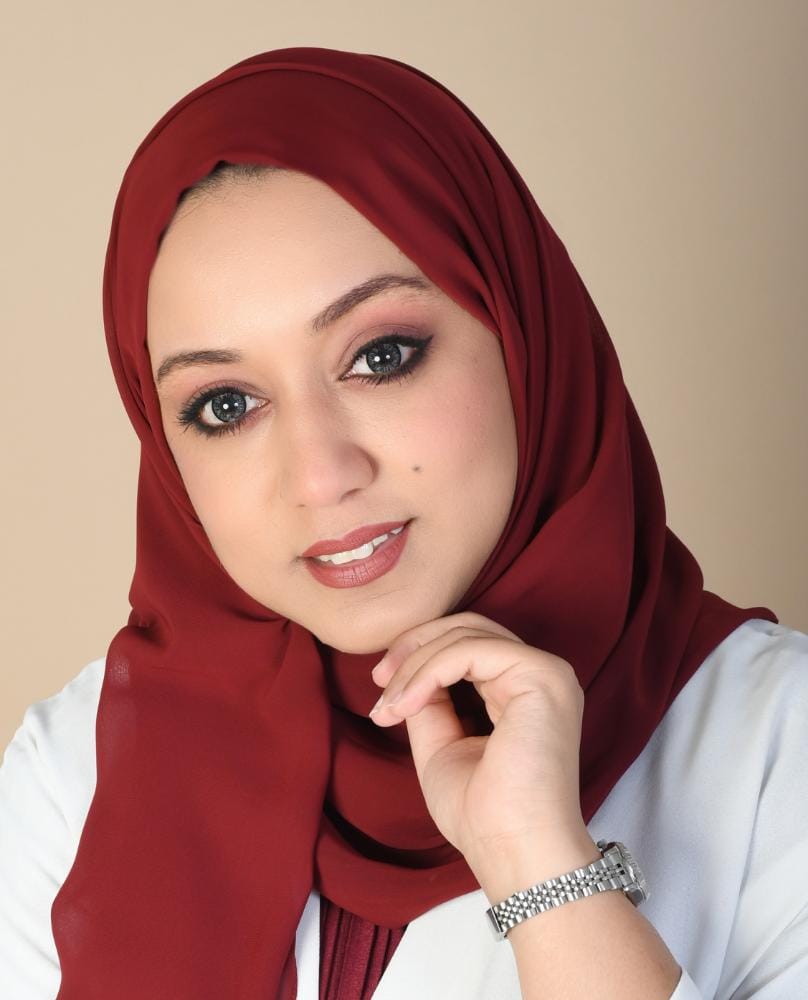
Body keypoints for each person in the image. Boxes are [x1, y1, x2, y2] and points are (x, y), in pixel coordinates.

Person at [0, 45, 806, 1000]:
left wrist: (540, 863)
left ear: (523, 335)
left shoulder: (775, 747)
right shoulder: (75, 776)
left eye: (381, 356)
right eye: (225, 405)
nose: (320, 476)